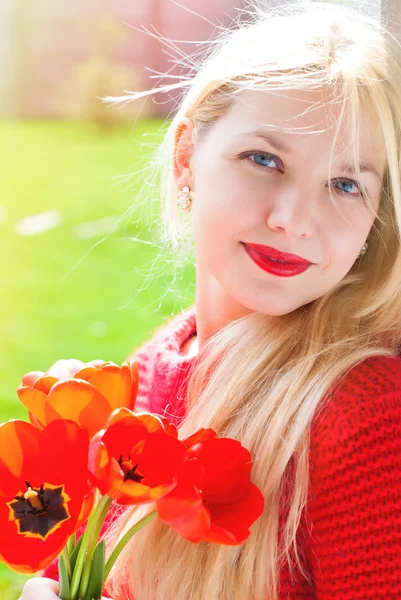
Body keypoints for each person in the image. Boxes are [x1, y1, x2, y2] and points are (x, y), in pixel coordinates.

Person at [19, 1, 401, 598]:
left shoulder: (365, 419)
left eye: (345, 185)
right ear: (186, 159)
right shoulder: (147, 370)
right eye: (264, 159)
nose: (293, 220)